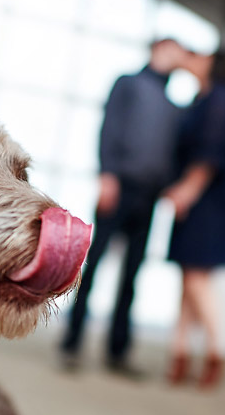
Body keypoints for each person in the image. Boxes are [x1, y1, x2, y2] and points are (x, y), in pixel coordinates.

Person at [61, 38, 187, 376]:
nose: (176, 58)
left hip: (150, 198)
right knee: (95, 266)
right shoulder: (128, 84)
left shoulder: (175, 105)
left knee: (132, 275)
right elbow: (110, 128)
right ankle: (71, 344)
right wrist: (107, 175)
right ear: (157, 50)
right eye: (172, 50)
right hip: (118, 186)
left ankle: (118, 352)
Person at [163, 49, 225, 389]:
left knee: (197, 277)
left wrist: (188, 190)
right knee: (188, 276)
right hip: (200, 194)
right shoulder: (202, 99)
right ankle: (180, 353)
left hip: (209, 196)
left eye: (201, 55)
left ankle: (216, 352)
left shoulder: (220, 100)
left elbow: (211, 152)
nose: (193, 59)